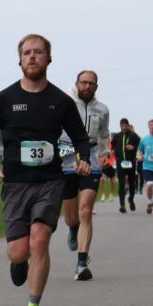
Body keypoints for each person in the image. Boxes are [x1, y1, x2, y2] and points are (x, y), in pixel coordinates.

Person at [0, 34, 91, 306]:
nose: (32, 57)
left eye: (38, 52)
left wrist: (82, 158)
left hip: (49, 181)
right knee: (18, 251)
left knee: (40, 238)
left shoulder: (60, 101)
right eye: (26, 53)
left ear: (48, 59)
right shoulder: (5, 99)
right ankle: (18, 263)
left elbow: (80, 137)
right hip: (15, 183)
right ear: (19, 60)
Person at [60, 70, 109, 281]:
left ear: (96, 87)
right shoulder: (63, 102)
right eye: (84, 83)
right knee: (72, 216)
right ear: (76, 83)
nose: (87, 86)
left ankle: (81, 262)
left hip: (92, 157)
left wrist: (105, 153)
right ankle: (73, 228)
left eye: (91, 84)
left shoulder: (103, 109)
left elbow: (104, 134)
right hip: (67, 158)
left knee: (86, 210)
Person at [111, 118, 141, 213]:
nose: (124, 127)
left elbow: (140, 146)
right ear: (120, 126)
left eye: (125, 125)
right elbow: (112, 146)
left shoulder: (134, 136)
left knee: (132, 184)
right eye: (122, 125)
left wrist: (133, 147)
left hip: (131, 162)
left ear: (128, 125)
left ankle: (131, 200)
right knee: (121, 184)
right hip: (120, 163)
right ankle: (122, 205)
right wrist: (113, 152)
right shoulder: (117, 136)